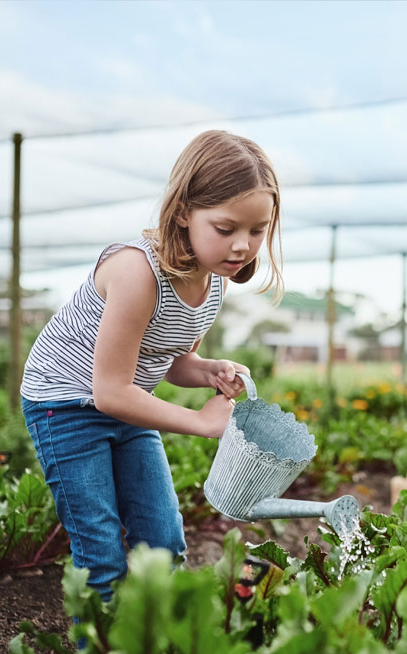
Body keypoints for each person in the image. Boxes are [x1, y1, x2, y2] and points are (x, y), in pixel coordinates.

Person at [20, 130, 284, 599]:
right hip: (65, 406)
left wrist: (207, 370)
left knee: (163, 543)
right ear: (183, 211)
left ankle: (158, 652)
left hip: (128, 407)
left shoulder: (212, 282)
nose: (242, 246)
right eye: (226, 229)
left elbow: (173, 362)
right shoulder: (137, 273)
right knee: (100, 558)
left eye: (256, 230)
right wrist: (201, 423)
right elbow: (110, 392)